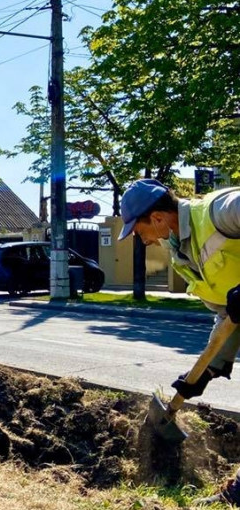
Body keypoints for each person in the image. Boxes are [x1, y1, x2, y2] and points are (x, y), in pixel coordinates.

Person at [117, 179, 240, 505]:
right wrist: (204, 374)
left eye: (138, 230)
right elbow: (226, 317)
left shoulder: (217, 213)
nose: (141, 240)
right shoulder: (181, 252)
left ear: (157, 217)